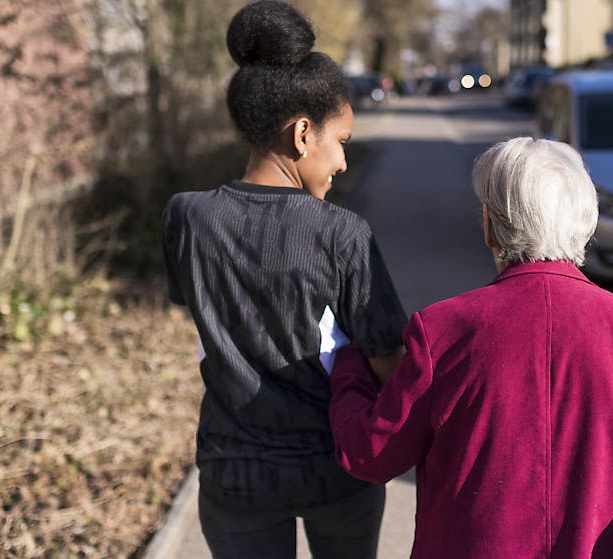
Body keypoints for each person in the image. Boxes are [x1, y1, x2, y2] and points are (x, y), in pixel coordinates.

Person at [328, 137, 613, 558]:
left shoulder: (442, 330)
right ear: (584, 220)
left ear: (490, 225)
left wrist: (348, 365)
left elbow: (371, 454)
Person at [160, 2, 406, 557]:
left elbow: (200, 310)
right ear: (302, 134)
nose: (343, 162)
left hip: (233, 470)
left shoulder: (186, 217)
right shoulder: (341, 233)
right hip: (336, 468)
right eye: (340, 140)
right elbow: (387, 357)